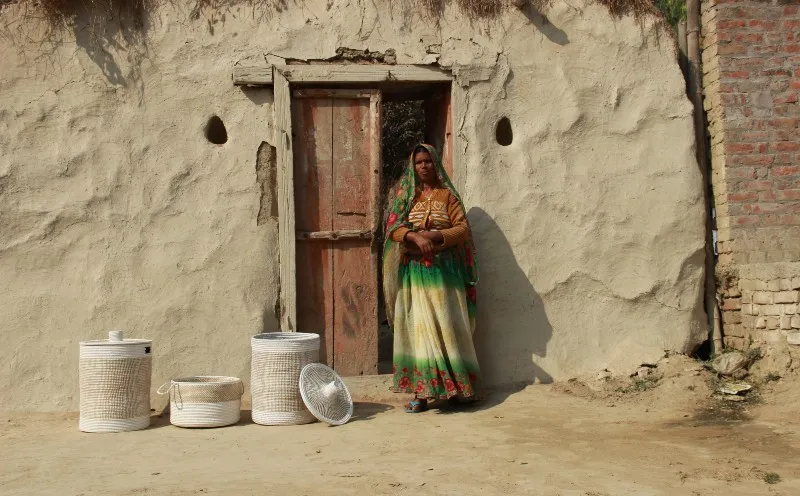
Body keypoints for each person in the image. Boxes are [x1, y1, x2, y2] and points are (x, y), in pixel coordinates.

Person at [383, 143, 481, 413]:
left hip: (444, 274)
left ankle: (456, 389)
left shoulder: (447, 196)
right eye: (418, 163)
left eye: (427, 161)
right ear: (412, 167)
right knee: (419, 330)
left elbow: (462, 229)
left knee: (445, 327)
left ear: (435, 163)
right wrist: (413, 235)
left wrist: (436, 236)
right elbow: (393, 228)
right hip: (414, 273)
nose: (423, 166)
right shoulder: (406, 198)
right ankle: (421, 393)